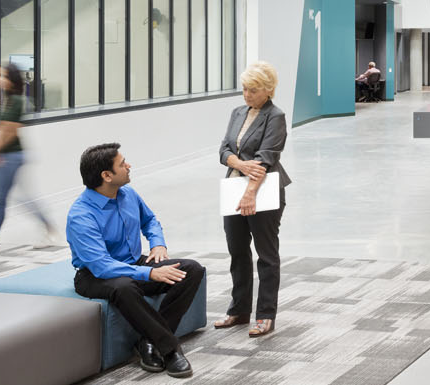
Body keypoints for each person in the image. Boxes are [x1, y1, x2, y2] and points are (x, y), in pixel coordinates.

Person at [67, 143, 204, 379]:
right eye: (122, 164)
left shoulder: (128, 193)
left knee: (191, 270)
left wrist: (157, 243)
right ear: (106, 175)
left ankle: (148, 342)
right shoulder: (81, 215)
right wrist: (149, 274)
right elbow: (101, 265)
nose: (128, 166)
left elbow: (149, 221)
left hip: (133, 262)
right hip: (95, 275)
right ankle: (170, 350)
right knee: (124, 287)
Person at [216, 61, 290, 339]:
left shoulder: (276, 116)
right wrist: (241, 165)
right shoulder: (237, 112)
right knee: (237, 251)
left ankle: (265, 315)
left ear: (268, 90)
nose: (247, 95)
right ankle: (239, 309)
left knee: (266, 255)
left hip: (263, 192)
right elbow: (223, 150)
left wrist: (250, 192)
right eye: (245, 89)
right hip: (234, 188)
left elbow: (266, 158)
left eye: (253, 90)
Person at [0, 63, 59, 253]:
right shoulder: (6, 99)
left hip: (11, 157)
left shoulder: (16, 100)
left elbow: (11, 130)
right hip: (9, 156)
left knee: (1, 199)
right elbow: (1, 125)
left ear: (11, 80)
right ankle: (48, 227)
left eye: (1, 76)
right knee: (18, 198)